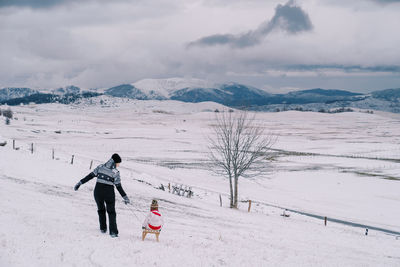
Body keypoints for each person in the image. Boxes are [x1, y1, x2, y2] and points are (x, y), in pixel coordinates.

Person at [74, 153, 130, 238]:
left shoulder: (100, 167)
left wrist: (80, 183)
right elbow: (118, 186)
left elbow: (90, 176)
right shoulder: (115, 172)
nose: (118, 165)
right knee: (111, 212)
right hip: (109, 193)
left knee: (101, 210)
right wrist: (125, 197)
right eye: (118, 163)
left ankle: (103, 228)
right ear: (115, 162)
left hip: (98, 192)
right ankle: (113, 232)